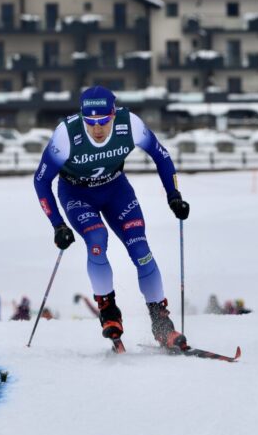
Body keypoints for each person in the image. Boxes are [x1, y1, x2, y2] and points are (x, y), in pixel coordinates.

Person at [33, 86, 191, 350]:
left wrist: (173, 195)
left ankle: (161, 322)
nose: (97, 129)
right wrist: (57, 225)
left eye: (103, 121)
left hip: (116, 190)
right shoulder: (66, 135)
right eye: (91, 122)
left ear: (113, 114)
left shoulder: (129, 124)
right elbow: (41, 181)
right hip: (77, 194)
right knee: (97, 239)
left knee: (141, 250)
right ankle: (108, 310)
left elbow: (161, 156)